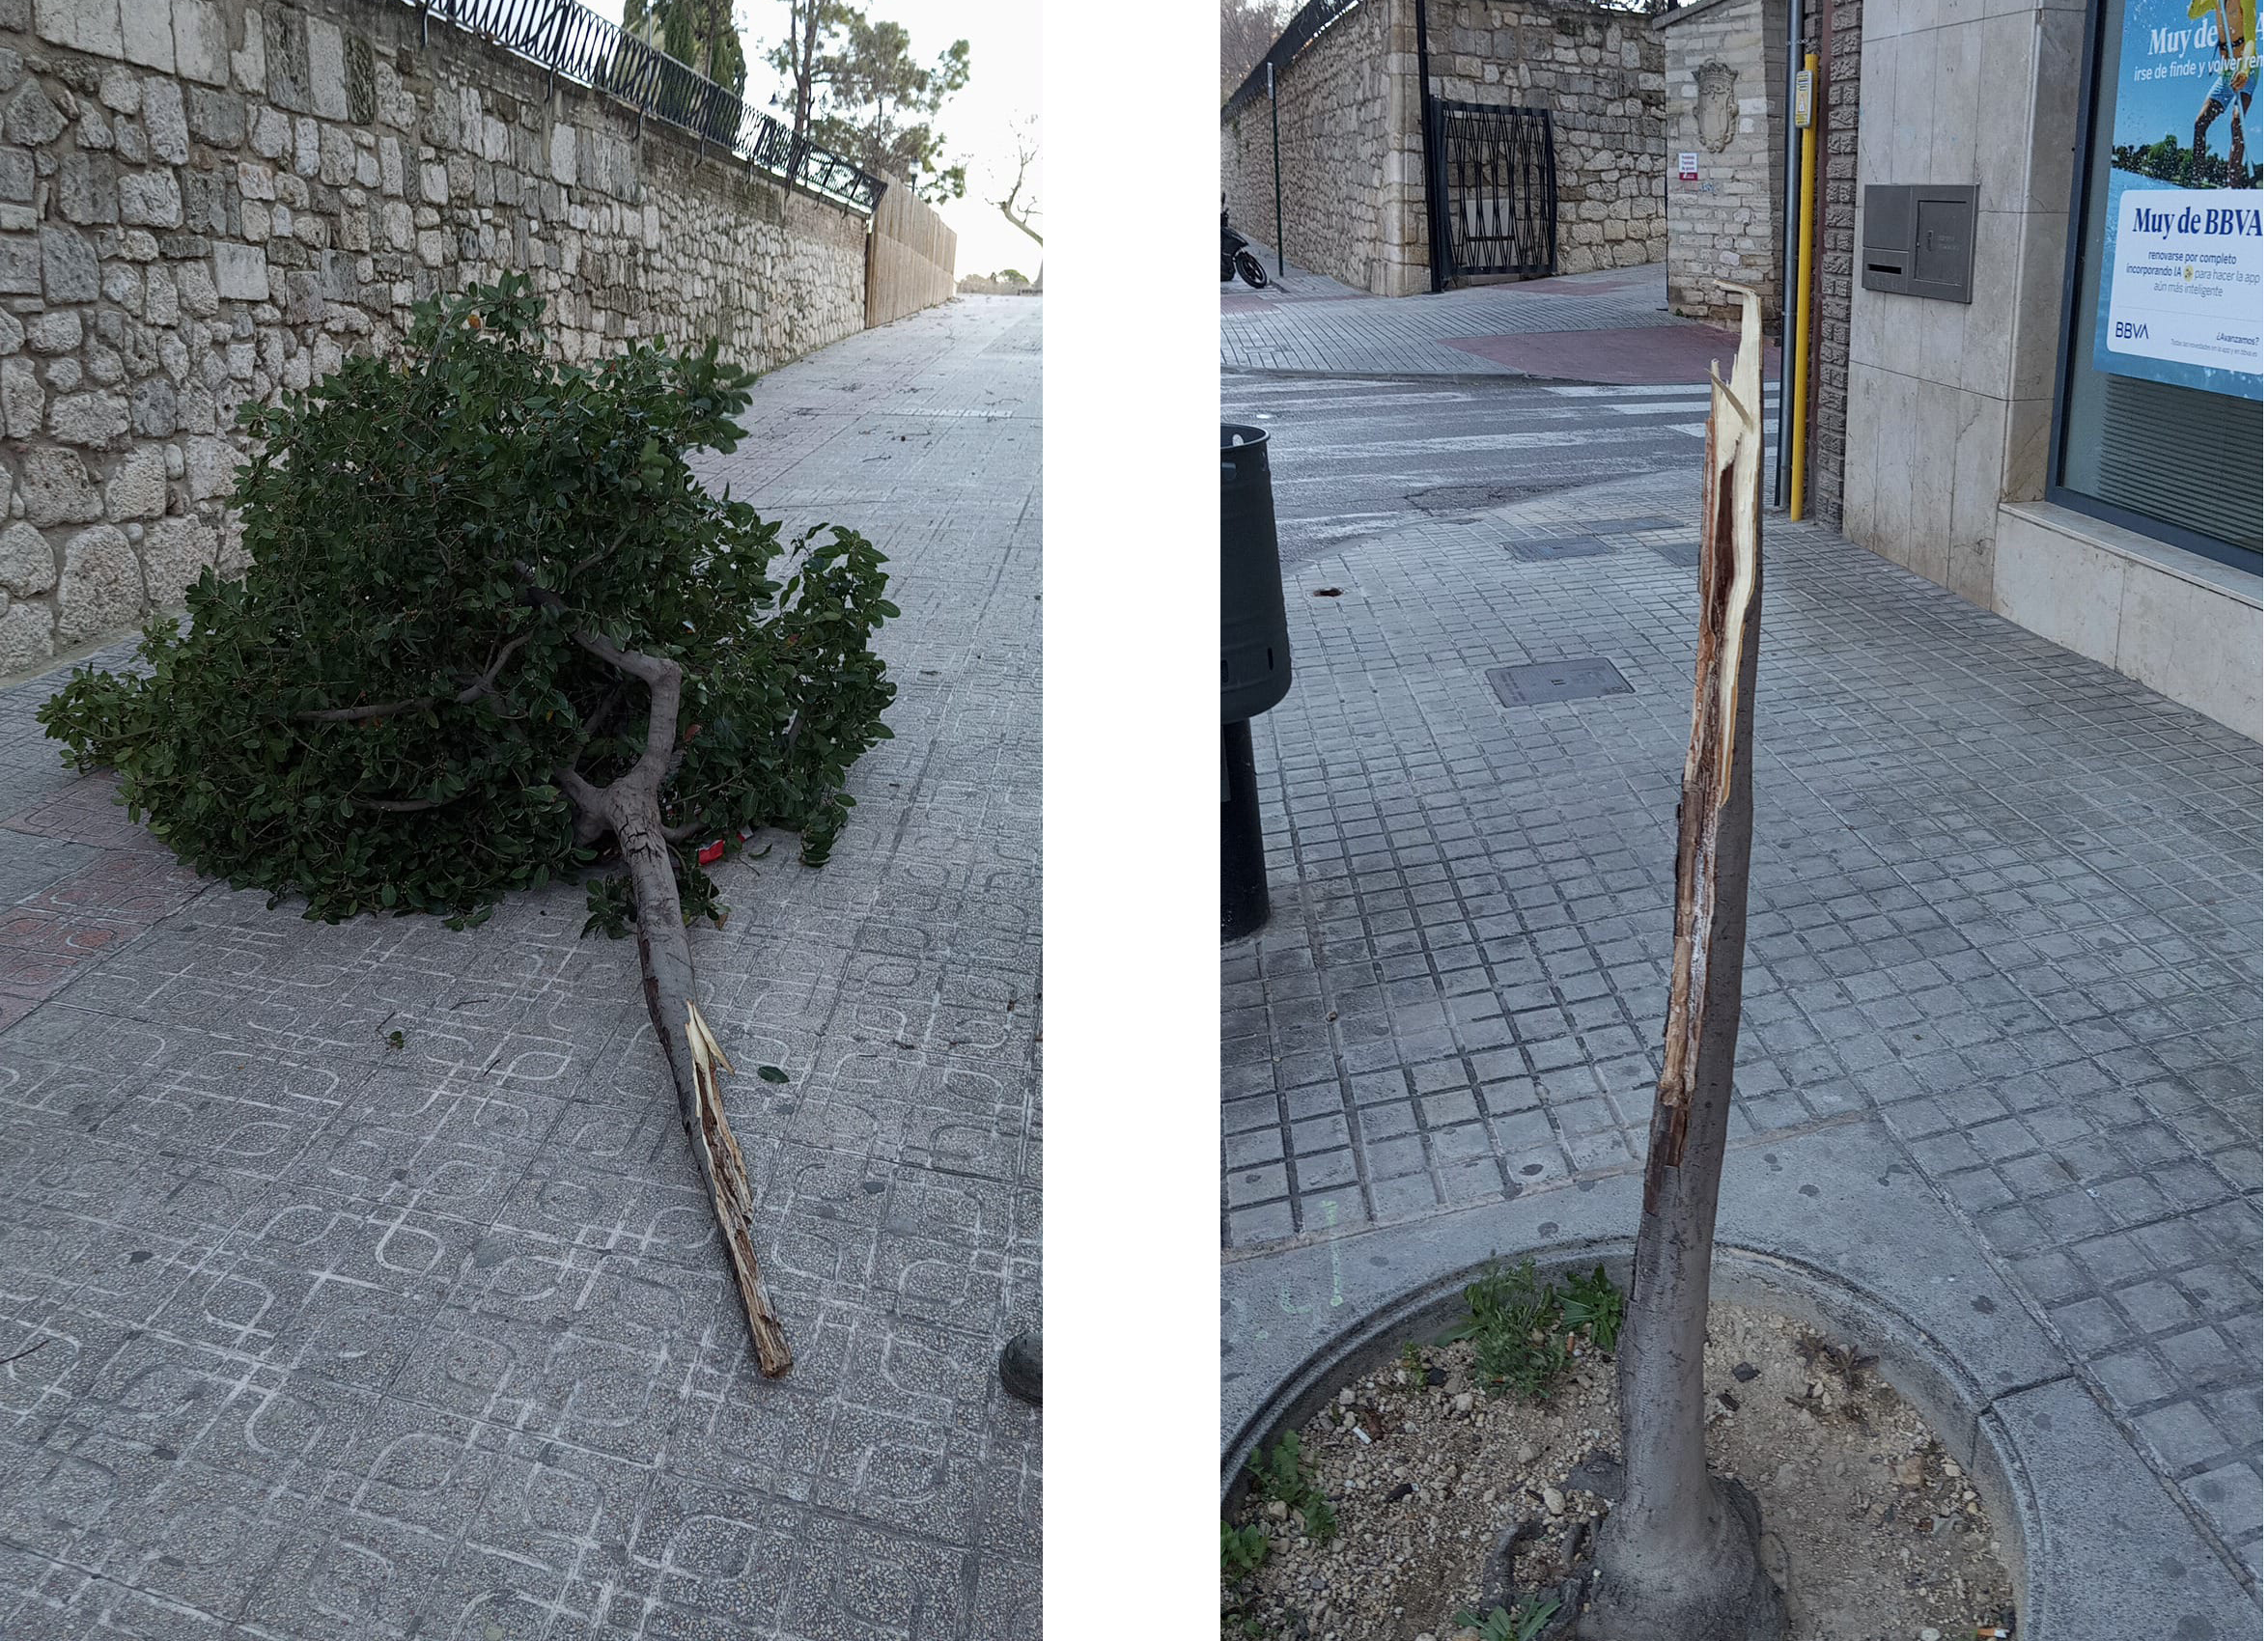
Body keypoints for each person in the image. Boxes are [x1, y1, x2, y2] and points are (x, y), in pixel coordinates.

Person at [2194, 0, 2258, 184]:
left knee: (2237, 122)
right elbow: (2193, 13)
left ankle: (2233, 185)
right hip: (2227, 72)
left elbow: (2251, 38)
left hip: (2247, 68)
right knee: (2200, 123)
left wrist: (2244, 69)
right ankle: (2196, 182)